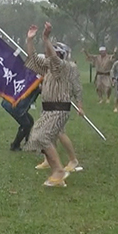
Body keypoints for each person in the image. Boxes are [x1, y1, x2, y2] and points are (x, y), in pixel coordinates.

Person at [22, 22, 81, 188]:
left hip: (59, 109)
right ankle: (58, 177)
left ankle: (59, 170)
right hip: (48, 110)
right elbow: (32, 60)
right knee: (36, 138)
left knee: (43, 137)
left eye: (52, 51)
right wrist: (29, 40)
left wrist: (46, 38)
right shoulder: (47, 67)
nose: (47, 53)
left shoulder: (63, 67)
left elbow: (53, 58)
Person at [34, 44, 85, 173]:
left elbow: (77, 88)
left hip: (60, 105)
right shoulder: (49, 67)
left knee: (59, 133)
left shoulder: (69, 68)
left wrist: (80, 106)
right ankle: (47, 160)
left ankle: (73, 160)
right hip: (47, 105)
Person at [2, 82, 41, 152]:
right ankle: (15, 145)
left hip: (13, 103)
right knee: (26, 124)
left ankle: (29, 143)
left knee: (30, 121)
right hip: (14, 105)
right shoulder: (35, 83)